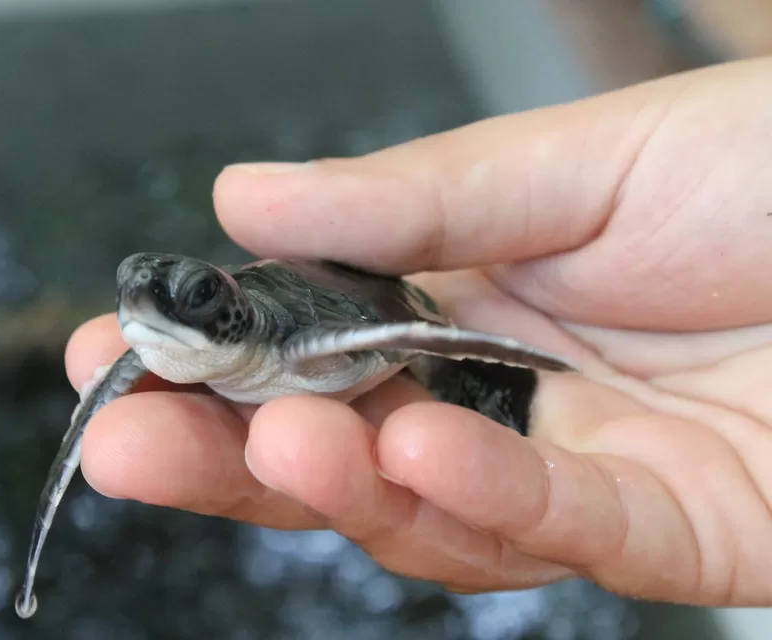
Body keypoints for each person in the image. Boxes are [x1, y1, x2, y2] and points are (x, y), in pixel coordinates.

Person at [65, 56, 772, 606]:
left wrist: (516, 358)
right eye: (138, 293)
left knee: (439, 394)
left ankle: (501, 387)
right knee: (165, 443)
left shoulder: (299, 340)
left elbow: (429, 334)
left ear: (228, 307)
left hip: (388, 313)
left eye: (188, 297)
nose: (144, 307)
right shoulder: (155, 349)